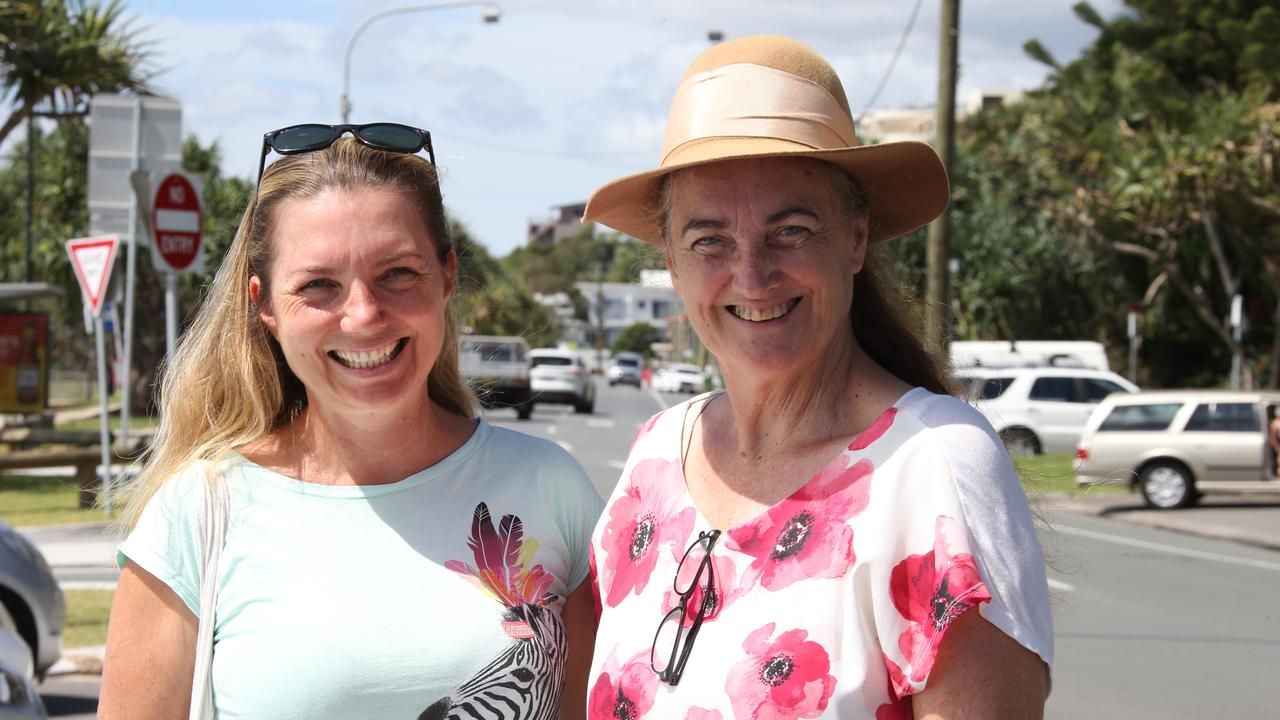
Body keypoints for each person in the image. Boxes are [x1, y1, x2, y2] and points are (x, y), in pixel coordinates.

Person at [580, 36, 1052, 718]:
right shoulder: (658, 453)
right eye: (710, 240)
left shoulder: (934, 465)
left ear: (855, 237)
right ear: (673, 263)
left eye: (791, 230)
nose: (751, 275)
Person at [99, 126, 602, 719]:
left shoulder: (554, 491)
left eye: (398, 273)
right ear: (264, 305)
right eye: (318, 285)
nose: (363, 316)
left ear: (446, 276)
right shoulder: (198, 514)